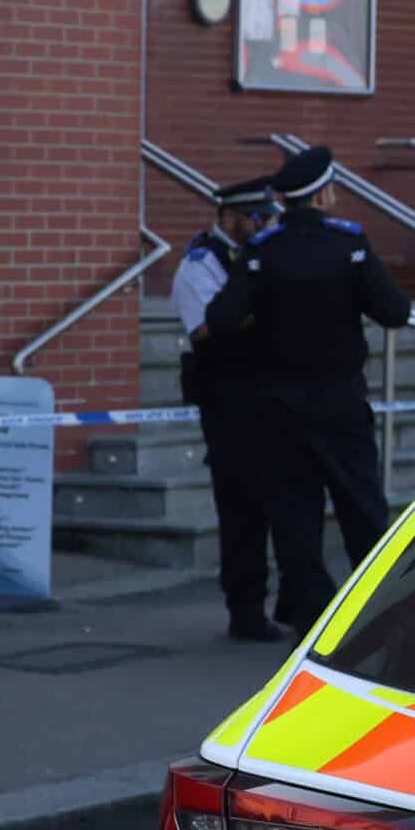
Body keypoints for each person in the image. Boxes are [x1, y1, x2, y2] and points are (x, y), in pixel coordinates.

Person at [206, 145, 413, 635]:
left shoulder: (263, 249)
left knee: (295, 516)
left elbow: (221, 318)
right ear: (322, 194)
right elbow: (395, 311)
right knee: (361, 507)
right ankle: (376, 616)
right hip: (340, 398)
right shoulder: (350, 245)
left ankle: (310, 617)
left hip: (276, 404)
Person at [172, 176, 284, 642]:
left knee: (281, 504)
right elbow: (209, 335)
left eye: (267, 217)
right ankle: (245, 607)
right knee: (241, 509)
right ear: (228, 216)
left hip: (271, 393)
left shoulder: (263, 256)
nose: (262, 225)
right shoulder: (200, 266)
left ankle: (292, 600)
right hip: (229, 400)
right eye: (254, 218)